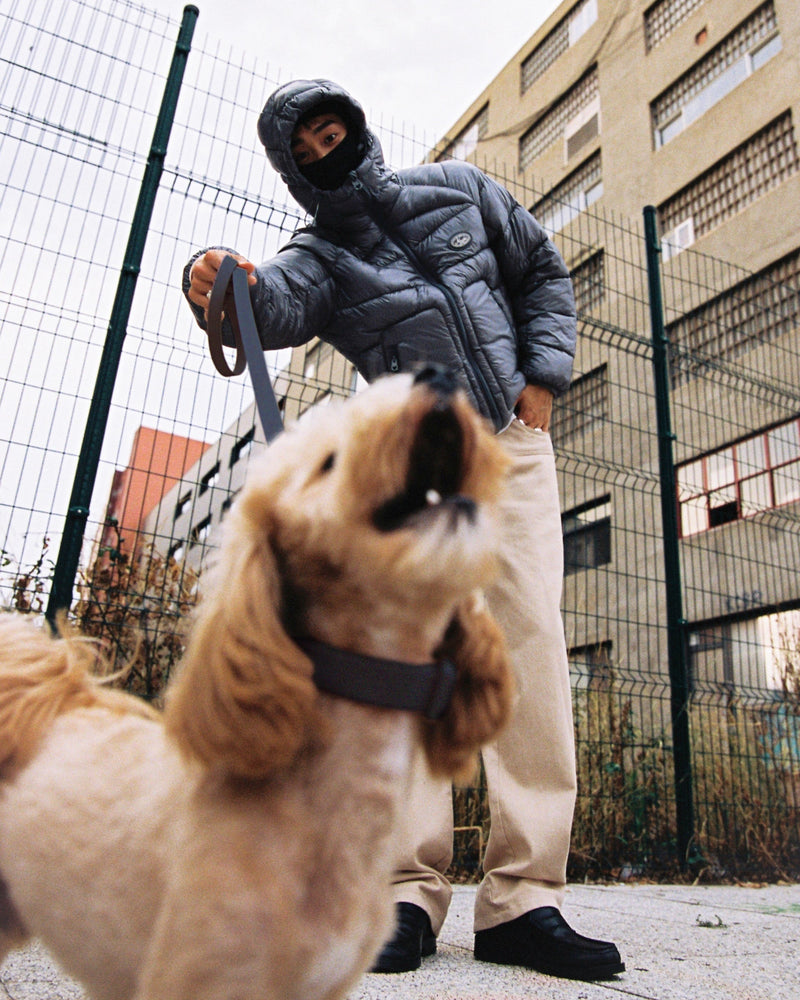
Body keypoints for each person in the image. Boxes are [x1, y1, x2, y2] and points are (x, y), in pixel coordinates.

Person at [184, 78, 624, 983]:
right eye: (303, 152)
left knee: (531, 645)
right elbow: (272, 309)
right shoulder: (318, 257)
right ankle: (404, 893)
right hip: (413, 465)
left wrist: (541, 377)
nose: (324, 153)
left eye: (330, 132)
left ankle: (525, 899)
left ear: (358, 126)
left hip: (511, 444)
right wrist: (218, 284)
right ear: (292, 173)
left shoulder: (458, 188)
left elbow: (541, 269)